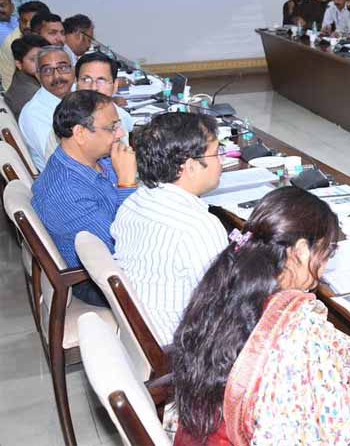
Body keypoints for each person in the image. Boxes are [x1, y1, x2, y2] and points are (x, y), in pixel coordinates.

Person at [172, 188, 350, 446]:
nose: (326, 265)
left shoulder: (227, 282)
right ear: (299, 251)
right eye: (327, 253)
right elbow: (337, 427)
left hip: (208, 428)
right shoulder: (296, 327)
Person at [111, 112, 228, 344]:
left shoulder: (133, 202)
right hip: (179, 347)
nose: (222, 162)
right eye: (216, 153)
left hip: (139, 337)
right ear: (191, 166)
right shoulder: (198, 227)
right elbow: (223, 304)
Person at [32, 90, 137, 306]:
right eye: (112, 128)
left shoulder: (96, 159)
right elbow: (124, 247)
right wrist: (127, 182)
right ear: (80, 133)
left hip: (120, 258)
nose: (119, 134)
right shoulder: (65, 193)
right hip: (103, 280)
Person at [19, 45, 74, 169]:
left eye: (63, 68)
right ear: (38, 76)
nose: (57, 76)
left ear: (73, 70)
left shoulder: (78, 92)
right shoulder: (34, 114)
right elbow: (59, 162)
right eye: (48, 70)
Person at [75, 52, 135, 143]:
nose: (93, 87)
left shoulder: (121, 116)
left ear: (115, 86)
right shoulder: (66, 121)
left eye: (101, 80)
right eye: (86, 80)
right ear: (76, 84)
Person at [0, 0, 49, 90]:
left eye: (32, 22)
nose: (27, 26)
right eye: (23, 21)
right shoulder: (10, 44)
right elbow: (9, 84)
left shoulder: (54, 35)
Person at [3, 34, 48, 119]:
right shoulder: (29, 93)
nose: (41, 63)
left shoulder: (25, 79)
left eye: (43, 58)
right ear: (19, 64)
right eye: (33, 59)